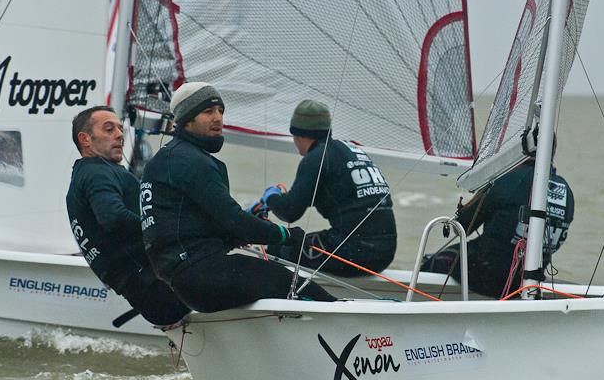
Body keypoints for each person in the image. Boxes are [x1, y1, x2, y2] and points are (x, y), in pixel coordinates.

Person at [140, 82, 335, 313]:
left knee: (272, 277)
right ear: (186, 120)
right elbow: (233, 220)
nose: (218, 118)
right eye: (208, 111)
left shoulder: (169, 157)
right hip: (201, 274)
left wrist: (234, 236)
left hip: (186, 277)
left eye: (221, 111)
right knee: (290, 282)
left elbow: (190, 225)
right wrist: (286, 234)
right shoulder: (190, 161)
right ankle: (342, 319)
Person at [66, 105, 190, 326]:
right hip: (160, 291)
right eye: (109, 129)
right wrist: (168, 230)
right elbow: (112, 217)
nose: (120, 134)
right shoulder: (96, 172)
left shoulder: (84, 174)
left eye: (120, 128)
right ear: (85, 139)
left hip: (151, 295)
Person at [252, 99, 397, 277]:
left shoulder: (316, 158)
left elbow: (289, 212)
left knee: (279, 248)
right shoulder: (349, 149)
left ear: (297, 134)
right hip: (386, 252)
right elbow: (343, 197)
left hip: (357, 253)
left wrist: (271, 197)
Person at [422, 153, 574, 298]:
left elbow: (461, 227)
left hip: (488, 275)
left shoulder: (507, 180)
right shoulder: (567, 191)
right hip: (529, 280)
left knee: (434, 261)